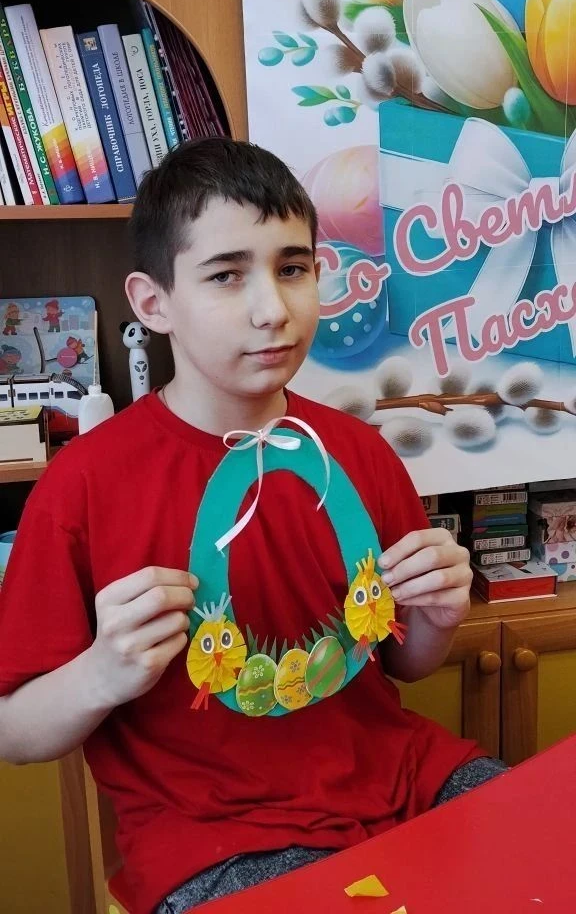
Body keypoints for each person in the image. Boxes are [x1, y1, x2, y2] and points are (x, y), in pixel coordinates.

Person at [0, 139, 504, 914]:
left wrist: (439, 616)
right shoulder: (82, 485)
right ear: (152, 302)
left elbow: (403, 665)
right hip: (216, 835)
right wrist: (102, 673)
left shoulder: (359, 454)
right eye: (226, 275)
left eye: (292, 268)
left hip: (407, 778)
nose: (273, 310)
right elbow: (13, 732)